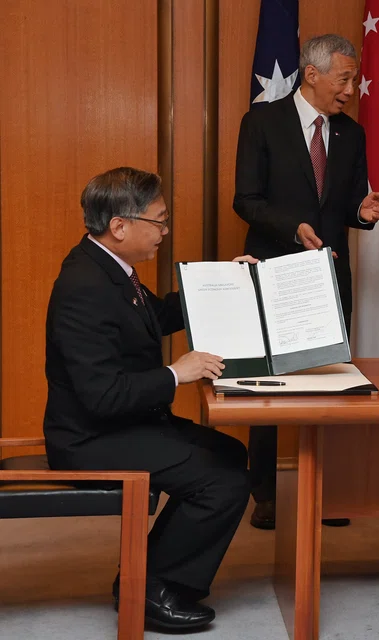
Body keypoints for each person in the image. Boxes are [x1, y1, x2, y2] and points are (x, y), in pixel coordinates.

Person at [44, 167, 252, 631]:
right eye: (158, 221)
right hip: (90, 438)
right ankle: (151, 589)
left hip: (124, 422)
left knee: (230, 453)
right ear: (119, 226)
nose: (165, 231)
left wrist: (229, 280)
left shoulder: (111, 270)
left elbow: (158, 316)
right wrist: (177, 373)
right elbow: (101, 395)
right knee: (221, 481)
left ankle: (151, 574)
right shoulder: (84, 288)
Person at [233, 34, 379, 529]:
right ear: (312, 74)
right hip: (275, 269)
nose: (351, 90)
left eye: (355, 80)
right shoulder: (261, 122)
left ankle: (324, 490)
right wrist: (292, 228)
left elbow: (344, 208)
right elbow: (246, 199)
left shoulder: (352, 134)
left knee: (327, 383)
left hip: (327, 274)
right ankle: (266, 494)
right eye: (344, 79)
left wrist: (361, 214)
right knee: (271, 385)